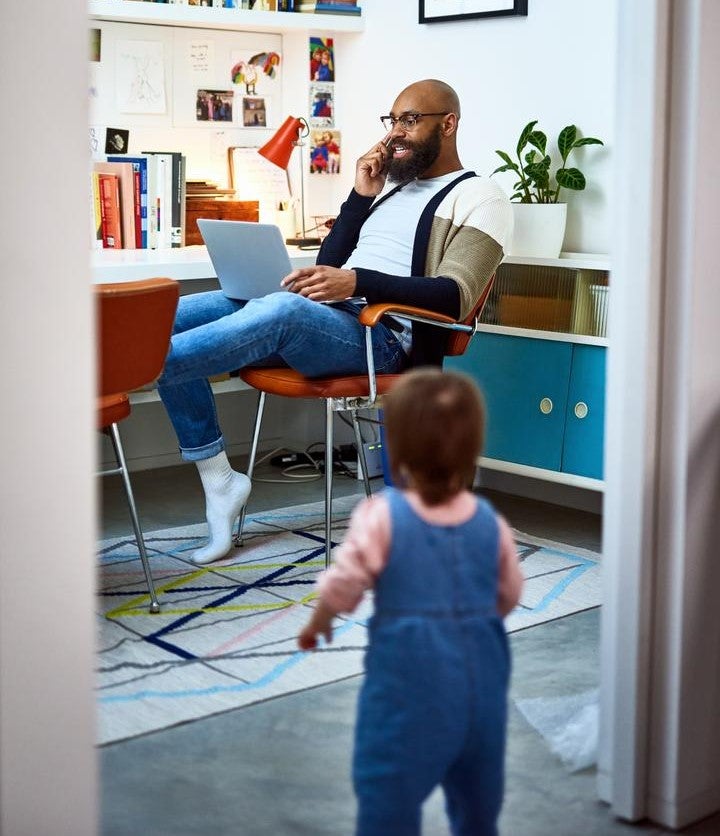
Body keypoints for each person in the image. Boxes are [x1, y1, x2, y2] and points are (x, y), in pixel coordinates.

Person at [156, 78, 512, 565]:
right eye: (392, 122)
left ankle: (127, 371)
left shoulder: (480, 197)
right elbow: (329, 261)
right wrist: (360, 196)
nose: (396, 135)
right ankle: (219, 480)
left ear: (447, 124)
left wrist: (356, 282)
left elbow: (453, 296)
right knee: (166, 318)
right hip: (327, 318)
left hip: (381, 339)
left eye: (410, 120)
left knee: (279, 309)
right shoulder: (387, 192)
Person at [298, 368, 524, 836]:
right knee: (478, 792)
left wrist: (321, 617)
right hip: (481, 684)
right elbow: (509, 593)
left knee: (388, 786)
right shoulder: (488, 520)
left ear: (395, 448)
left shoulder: (382, 515)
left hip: (408, 685)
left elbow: (348, 576)